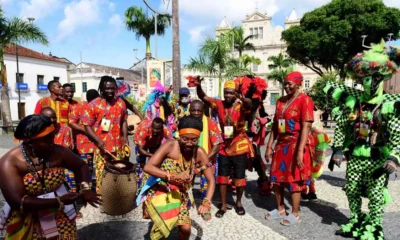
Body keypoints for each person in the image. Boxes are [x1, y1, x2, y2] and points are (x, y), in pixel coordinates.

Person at [326, 41, 400, 239]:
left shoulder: (390, 103)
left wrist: (394, 157)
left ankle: (375, 226)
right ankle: (355, 220)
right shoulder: (354, 102)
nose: (370, 82)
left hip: (376, 159)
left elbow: (396, 133)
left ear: (383, 77)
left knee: (376, 194)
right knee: (352, 190)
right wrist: (339, 149)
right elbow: (342, 124)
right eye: (366, 78)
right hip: (356, 157)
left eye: (375, 77)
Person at [0, 115, 100, 239]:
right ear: (30, 142)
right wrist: (59, 201)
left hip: (60, 215)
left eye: (53, 137)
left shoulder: (58, 152)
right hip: (28, 217)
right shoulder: (9, 163)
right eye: (47, 140)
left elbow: (81, 166)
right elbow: (18, 202)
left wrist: (85, 188)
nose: (53, 143)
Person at [138, 116, 215, 240]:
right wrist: (173, 176)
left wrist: (206, 203)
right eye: (185, 139)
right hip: (161, 192)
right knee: (162, 230)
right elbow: (148, 167)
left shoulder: (199, 153)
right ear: (179, 135)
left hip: (181, 195)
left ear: (198, 138)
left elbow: (211, 180)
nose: (189, 143)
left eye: (194, 140)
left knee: (185, 229)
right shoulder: (170, 145)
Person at [195, 78, 253, 218]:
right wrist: (198, 85)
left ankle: (238, 203)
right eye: (225, 92)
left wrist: (243, 99)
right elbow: (203, 97)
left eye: (231, 93)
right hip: (224, 146)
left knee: (239, 178)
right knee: (222, 178)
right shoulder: (218, 104)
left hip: (239, 145)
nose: (227, 95)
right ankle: (222, 205)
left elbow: (249, 104)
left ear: (236, 93)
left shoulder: (241, 105)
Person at [265, 71, 314, 226]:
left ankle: (295, 213)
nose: (286, 86)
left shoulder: (305, 100)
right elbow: (275, 126)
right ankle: (280, 209)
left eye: (289, 84)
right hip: (281, 144)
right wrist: (269, 146)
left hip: (297, 143)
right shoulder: (280, 101)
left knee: (295, 179)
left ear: (298, 84)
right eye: (285, 83)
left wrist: (300, 152)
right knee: (276, 178)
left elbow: (306, 126)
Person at [82, 76, 129, 193]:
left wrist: (126, 138)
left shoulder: (121, 103)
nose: (110, 91)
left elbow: (124, 120)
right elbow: (87, 126)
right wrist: (98, 141)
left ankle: (117, 197)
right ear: (101, 88)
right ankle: (103, 198)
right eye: (107, 88)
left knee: (118, 172)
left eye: (113, 88)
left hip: (118, 145)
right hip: (102, 147)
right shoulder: (93, 105)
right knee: (102, 173)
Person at [189, 100, 223, 198]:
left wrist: (204, 159)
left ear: (203, 111)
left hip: (207, 159)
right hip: (189, 159)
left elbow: (217, 145)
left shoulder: (211, 123)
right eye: (193, 110)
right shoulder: (185, 122)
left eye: (199, 110)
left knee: (206, 188)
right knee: (185, 183)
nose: (196, 113)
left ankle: (205, 206)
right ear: (189, 110)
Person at [69, 89, 100, 190]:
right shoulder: (79, 107)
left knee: (96, 168)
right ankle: (86, 190)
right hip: (84, 144)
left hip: (98, 142)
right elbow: (72, 123)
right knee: (86, 168)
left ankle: (95, 189)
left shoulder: (101, 107)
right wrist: (86, 130)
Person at [134, 117, 173, 189]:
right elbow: (140, 150)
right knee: (141, 165)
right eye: (154, 128)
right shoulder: (144, 129)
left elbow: (172, 142)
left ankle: (152, 183)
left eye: (158, 129)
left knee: (155, 164)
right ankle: (139, 186)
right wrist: (153, 155)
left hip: (154, 143)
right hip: (142, 145)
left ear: (161, 128)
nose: (155, 131)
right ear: (151, 126)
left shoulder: (165, 130)